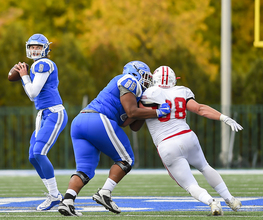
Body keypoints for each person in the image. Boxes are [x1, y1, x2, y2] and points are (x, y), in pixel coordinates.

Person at [57, 61, 171, 216]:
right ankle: (105, 192)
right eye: (145, 76)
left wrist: (147, 107)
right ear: (135, 72)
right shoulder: (128, 80)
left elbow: (130, 124)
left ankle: (67, 201)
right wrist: (157, 113)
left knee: (85, 171)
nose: (147, 81)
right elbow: (131, 112)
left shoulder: (133, 93)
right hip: (96, 119)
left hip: (80, 122)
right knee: (127, 159)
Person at [133, 65, 243, 216]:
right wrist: (223, 117)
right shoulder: (181, 91)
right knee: (205, 167)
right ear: (174, 80)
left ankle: (212, 203)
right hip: (187, 136)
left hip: (166, 143)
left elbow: (136, 114)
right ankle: (230, 199)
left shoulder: (148, 94)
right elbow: (199, 109)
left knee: (190, 185)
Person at [14, 33, 68, 211]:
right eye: (31, 47)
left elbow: (32, 93)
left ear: (45, 49)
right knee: (32, 155)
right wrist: (24, 76)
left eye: (38, 47)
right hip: (44, 115)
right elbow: (33, 94)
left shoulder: (44, 64)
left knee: (39, 152)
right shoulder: (36, 66)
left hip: (54, 113)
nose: (34, 50)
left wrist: (23, 76)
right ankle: (54, 194)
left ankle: (54, 195)